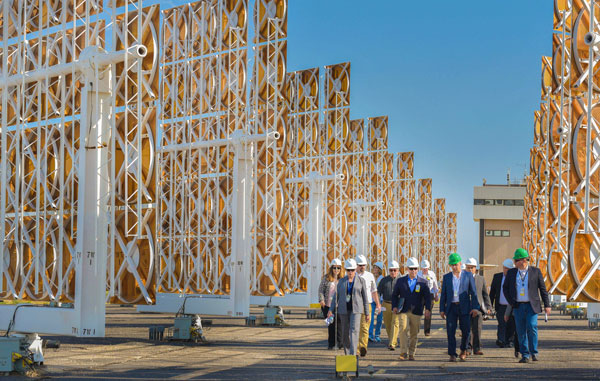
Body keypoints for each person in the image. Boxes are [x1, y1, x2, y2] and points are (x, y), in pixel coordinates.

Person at [502, 248, 551, 363]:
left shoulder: (535, 271)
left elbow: (543, 289)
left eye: (517, 260)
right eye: (515, 260)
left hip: (531, 306)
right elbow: (505, 288)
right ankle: (525, 354)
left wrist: (547, 305)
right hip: (518, 306)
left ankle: (534, 352)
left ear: (524, 260)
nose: (515, 262)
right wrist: (511, 301)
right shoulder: (512, 273)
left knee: (532, 327)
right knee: (520, 330)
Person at [439, 253, 480, 362]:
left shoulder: (468, 276)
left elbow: (473, 293)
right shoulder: (447, 277)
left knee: (466, 330)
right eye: (452, 265)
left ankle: (463, 350)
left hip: (465, 307)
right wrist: (442, 309)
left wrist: (475, 307)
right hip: (451, 307)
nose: (454, 267)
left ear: (460, 264)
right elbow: (443, 294)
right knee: (450, 331)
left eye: (456, 264)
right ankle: (452, 354)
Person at [391, 257, 432, 361]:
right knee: (403, 330)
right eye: (411, 268)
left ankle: (412, 353)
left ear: (417, 269)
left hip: (417, 311)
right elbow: (395, 295)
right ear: (407, 269)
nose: (413, 271)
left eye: (415, 269)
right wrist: (394, 306)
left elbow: (428, 297)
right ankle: (403, 352)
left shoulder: (423, 282)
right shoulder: (400, 281)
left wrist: (428, 309)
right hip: (403, 311)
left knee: (414, 333)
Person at [328, 259, 370, 356]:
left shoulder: (361, 281)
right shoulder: (342, 281)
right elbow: (336, 297)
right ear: (346, 270)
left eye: (352, 270)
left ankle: (353, 353)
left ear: (356, 270)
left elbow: (365, 298)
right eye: (348, 270)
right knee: (345, 332)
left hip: (356, 310)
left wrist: (367, 313)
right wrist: (331, 310)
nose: (350, 272)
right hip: (343, 310)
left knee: (354, 331)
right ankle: (347, 353)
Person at [489, 258, 519, 357]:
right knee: (502, 323)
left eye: (508, 269)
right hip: (501, 305)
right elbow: (492, 292)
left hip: (512, 305)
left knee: (511, 324)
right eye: (505, 268)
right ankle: (501, 340)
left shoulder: (515, 277)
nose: (506, 270)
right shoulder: (497, 277)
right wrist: (489, 305)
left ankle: (509, 341)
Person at [464, 257, 492, 356]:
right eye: (468, 267)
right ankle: (467, 348)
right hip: (466, 308)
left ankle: (477, 348)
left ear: (476, 268)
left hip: (478, 308)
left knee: (477, 329)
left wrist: (489, 308)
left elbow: (485, 294)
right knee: (467, 329)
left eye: (472, 267)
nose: (470, 269)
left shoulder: (481, 279)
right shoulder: (462, 278)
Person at [356, 255, 381, 357]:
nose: (362, 267)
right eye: (360, 265)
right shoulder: (352, 275)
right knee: (355, 328)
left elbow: (374, 291)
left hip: (368, 305)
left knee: (365, 327)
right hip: (355, 305)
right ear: (356, 265)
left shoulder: (370, 276)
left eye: (364, 265)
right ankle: (356, 348)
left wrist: (378, 304)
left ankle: (363, 347)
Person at [318, 258, 344, 349]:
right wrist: (321, 300)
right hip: (328, 306)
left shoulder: (343, 279)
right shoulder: (326, 278)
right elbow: (321, 290)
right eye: (334, 268)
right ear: (331, 268)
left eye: (338, 268)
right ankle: (331, 344)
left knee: (339, 326)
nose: (336, 270)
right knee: (331, 325)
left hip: (339, 306)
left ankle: (340, 344)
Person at [377, 260, 401, 350]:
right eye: (391, 270)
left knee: (395, 323)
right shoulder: (384, 280)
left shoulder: (401, 280)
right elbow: (378, 292)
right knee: (387, 324)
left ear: (398, 271)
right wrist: (378, 303)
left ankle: (392, 343)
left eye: (395, 270)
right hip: (386, 304)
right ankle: (393, 340)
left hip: (397, 305)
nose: (393, 272)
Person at [417, 259, 439, 336]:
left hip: (430, 295)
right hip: (420, 295)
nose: (424, 269)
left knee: (428, 313)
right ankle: (416, 329)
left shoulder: (432, 274)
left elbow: (435, 285)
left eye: (426, 268)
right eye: (423, 268)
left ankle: (427, 331)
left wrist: (436, 295)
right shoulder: (418, 274)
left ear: (428, 268)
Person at [369, 261, 385, 343]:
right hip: (372, 300)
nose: (375, 269)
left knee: (379, 318)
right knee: (371, 318)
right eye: (374, 268)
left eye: (376, 268)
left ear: (380, 269)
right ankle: (370, 335)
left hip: (380, 300)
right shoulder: (371, 277)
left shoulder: (382, 279)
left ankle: (377, 335)